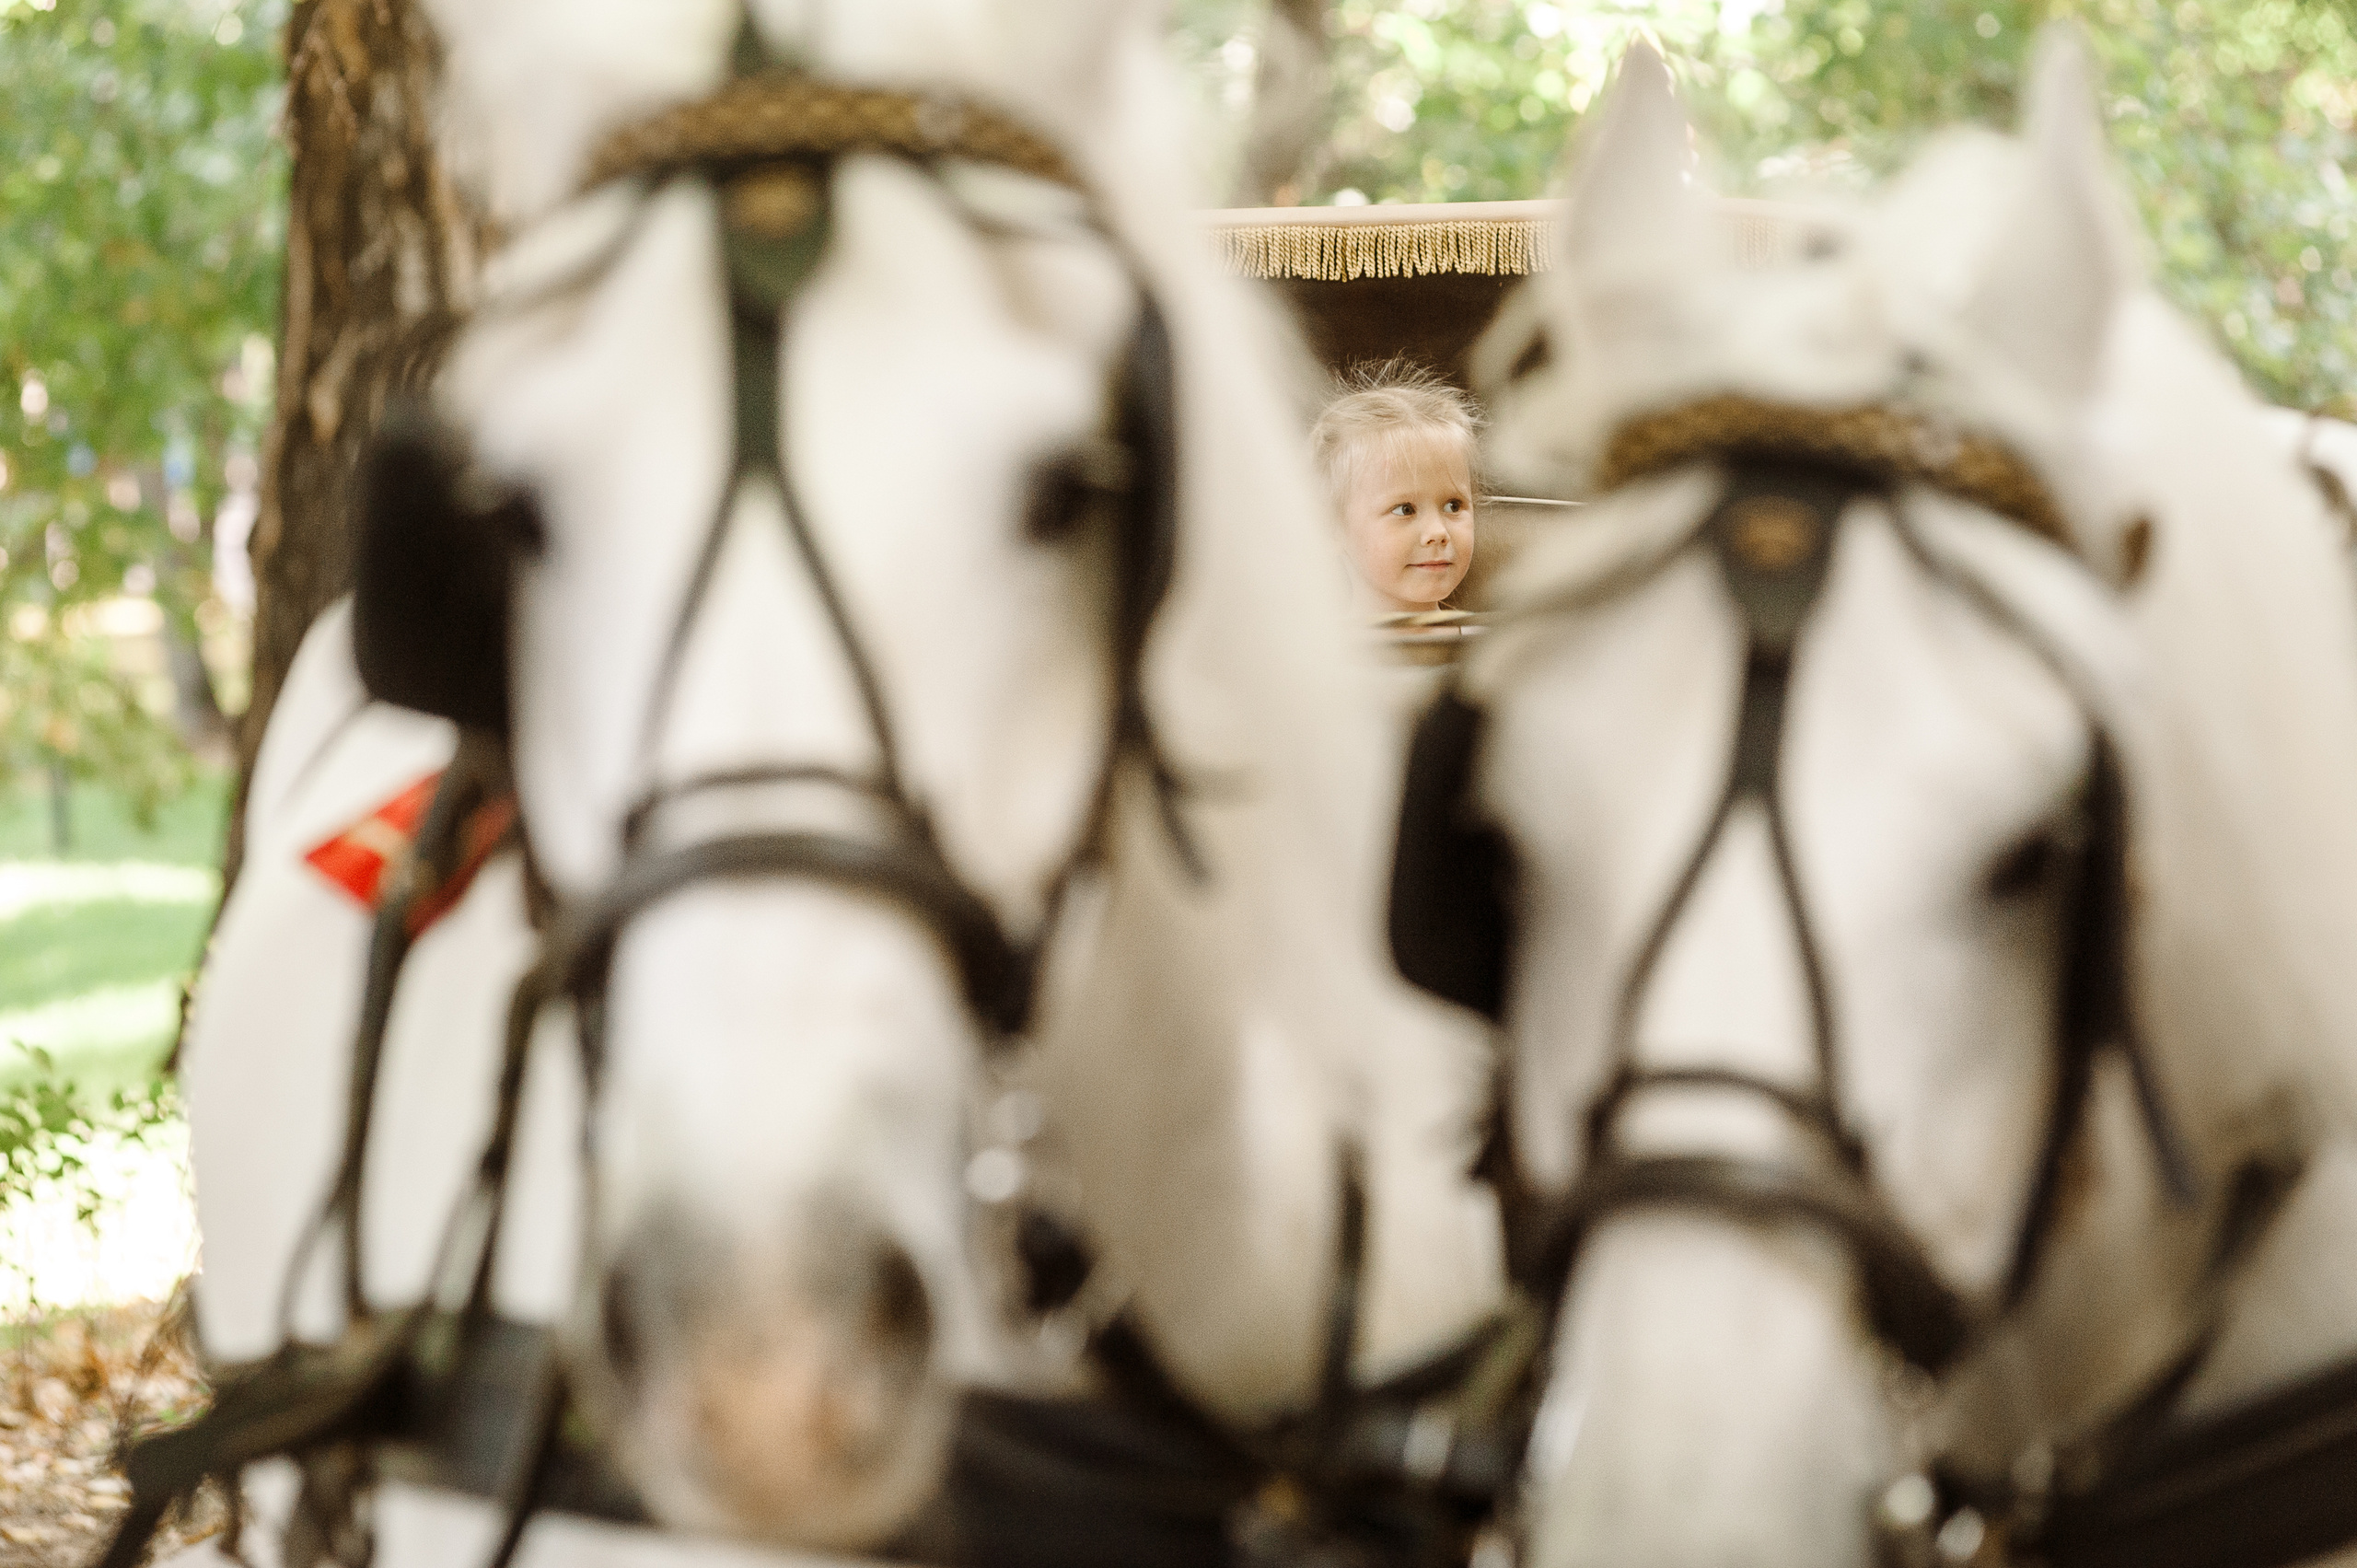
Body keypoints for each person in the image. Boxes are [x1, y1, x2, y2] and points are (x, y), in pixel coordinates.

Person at [1310, 360, 1481, 618]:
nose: (1438, 532)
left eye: (1453, 506)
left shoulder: (1493, 648)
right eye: (1405, 510)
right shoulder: (1317, 654)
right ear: (1331, 526)